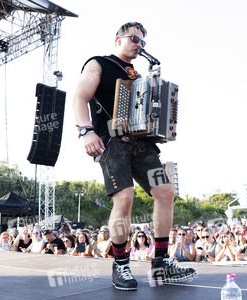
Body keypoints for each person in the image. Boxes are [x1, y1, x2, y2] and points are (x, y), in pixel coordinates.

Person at [72, 21, 196, 291]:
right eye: (134, 39)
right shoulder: (99, 63)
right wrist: (86, 132)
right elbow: (80, 98)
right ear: (118, 39)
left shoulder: (137, 75)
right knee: (124, 198)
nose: (139, 45)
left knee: (165, 191)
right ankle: (120, 265)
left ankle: (161, 263)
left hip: (142, 145)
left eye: (142, 42)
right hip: (111, 143)